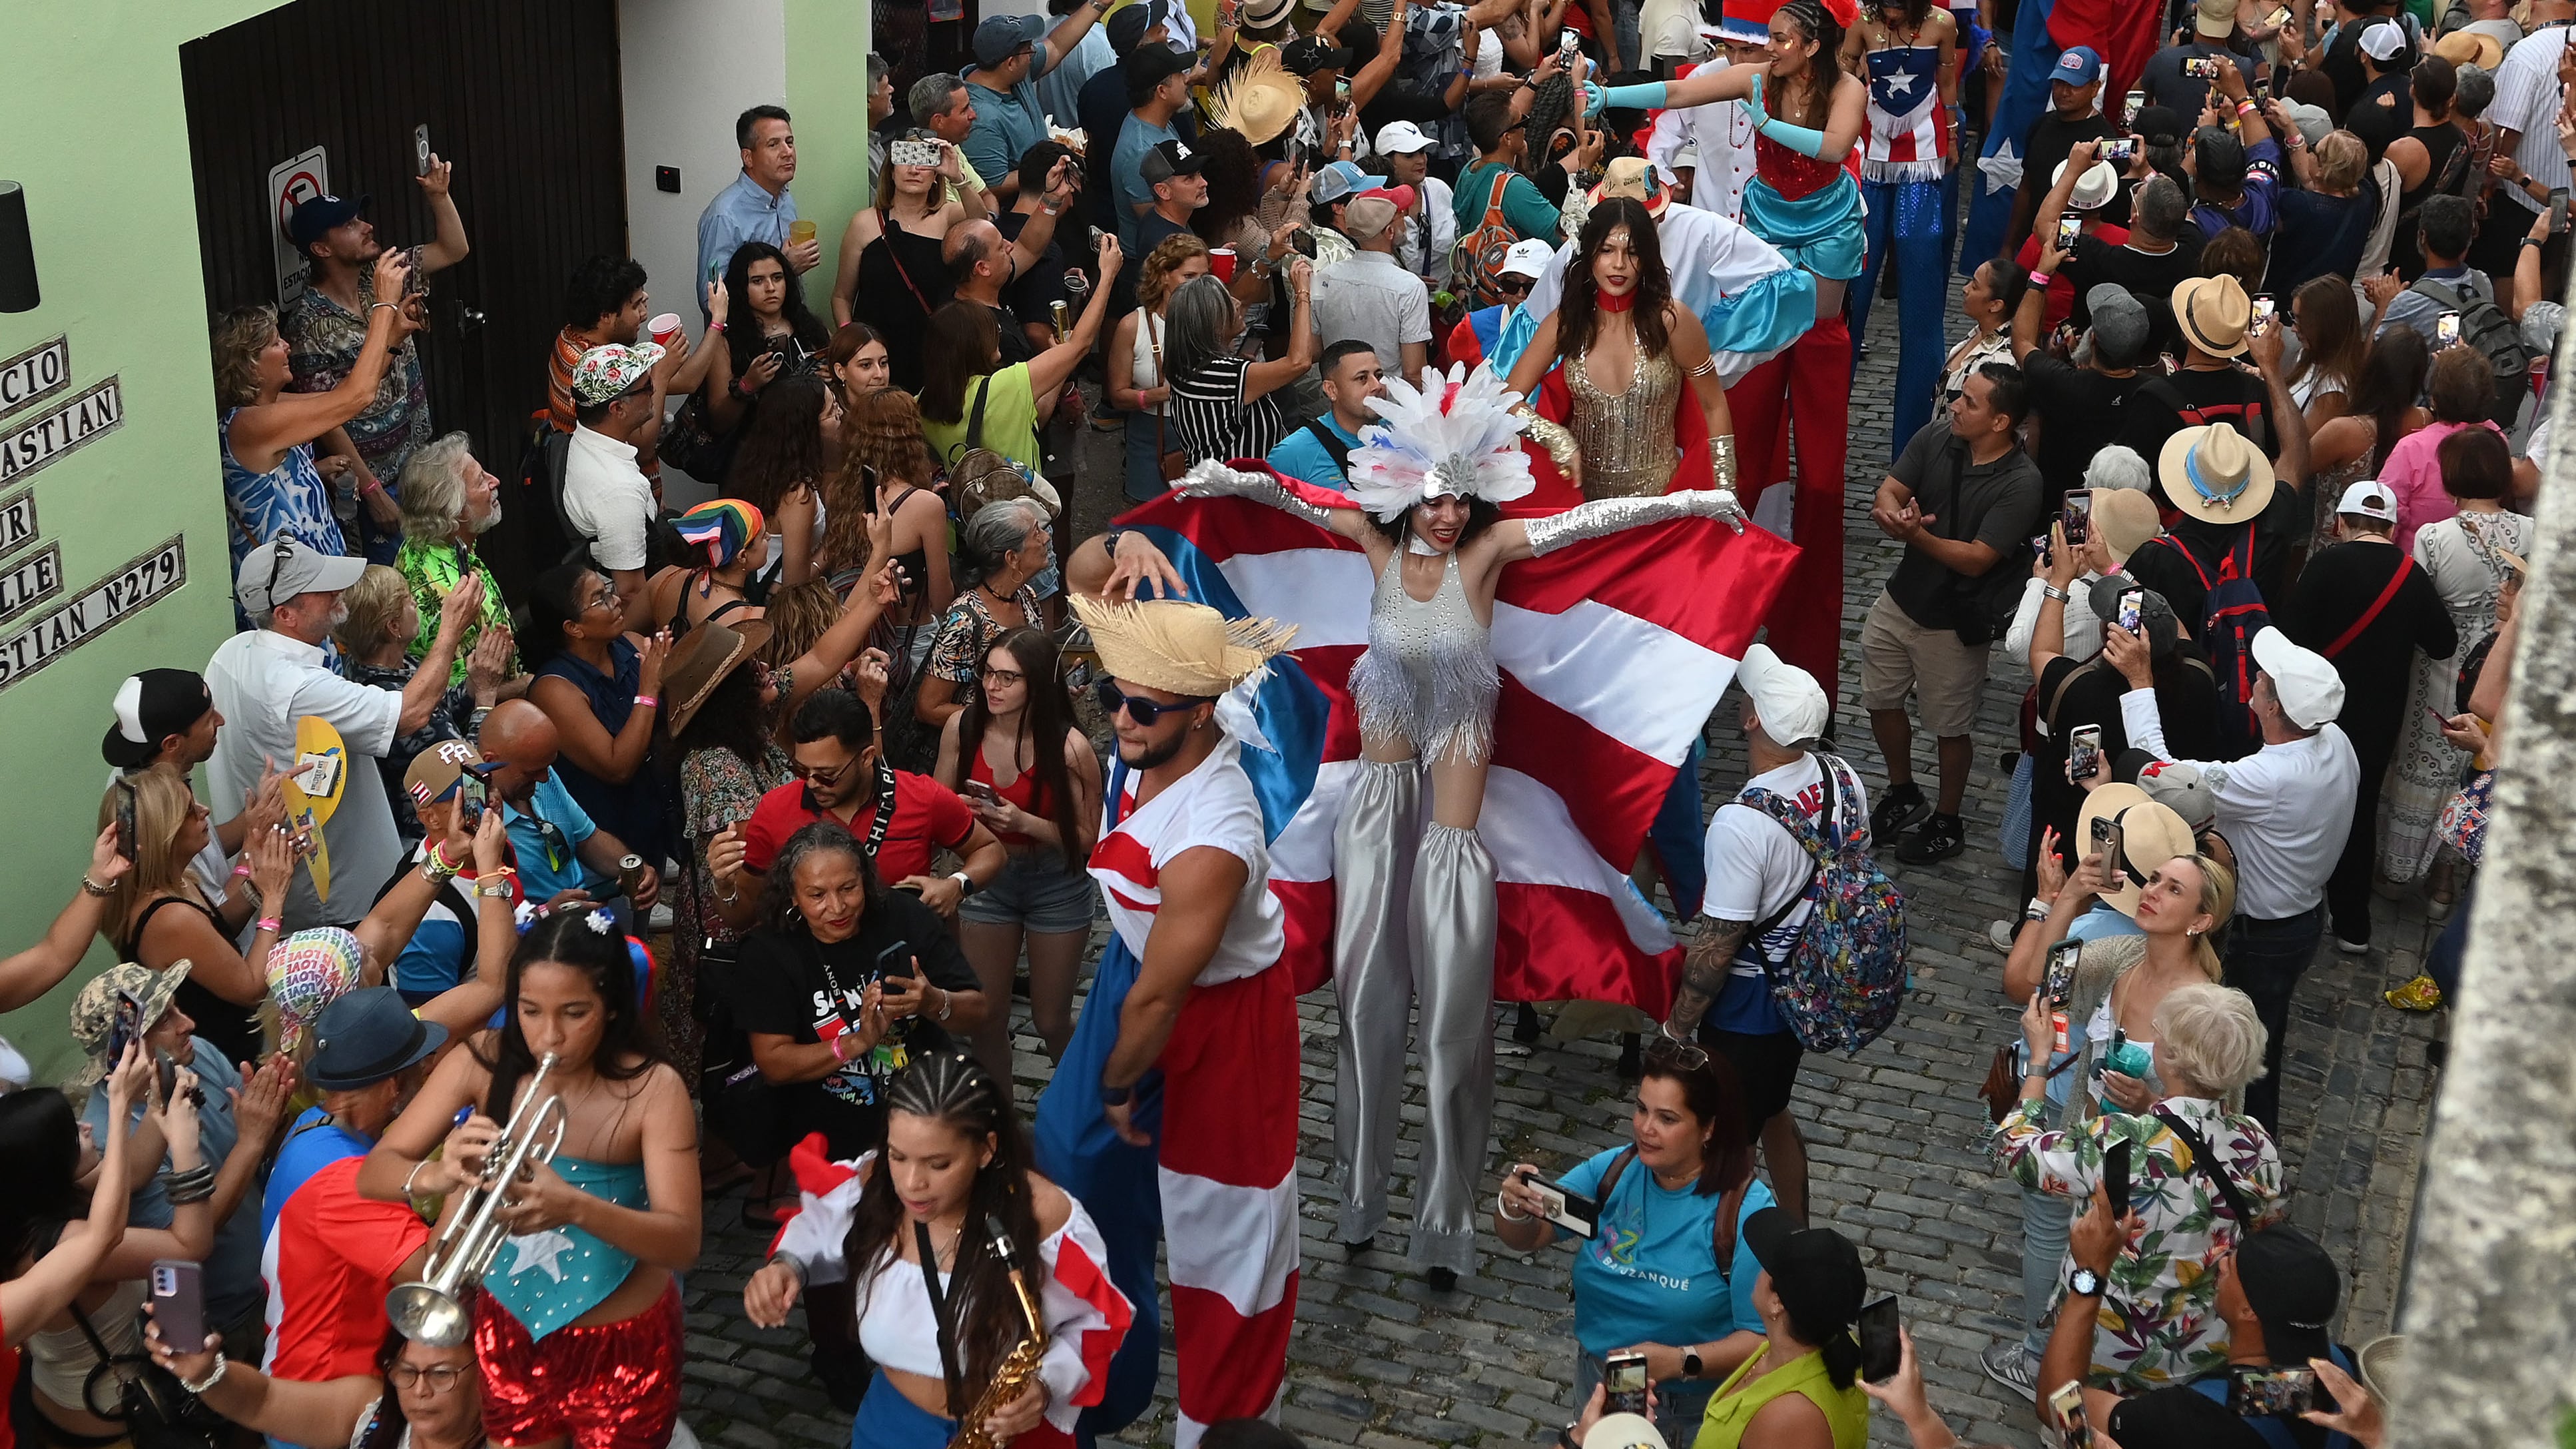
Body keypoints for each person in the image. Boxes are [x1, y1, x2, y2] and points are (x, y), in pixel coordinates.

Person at [1177, 364, 1746, 1282]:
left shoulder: (1487, 553)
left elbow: (1587, 520)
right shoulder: (1375, 541)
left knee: (1451, 1000)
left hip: (1454, 780)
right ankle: (1358, 1201)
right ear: (1406, 492)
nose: (1445, 515)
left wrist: (1690, 502)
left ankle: (1445, 1220)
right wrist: (1223, 477)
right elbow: (1291, 497)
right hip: (1382, 777)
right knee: (1366, 996)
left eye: (1458, 500)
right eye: (1433, 499)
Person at [1026, 598, 1305, 1445]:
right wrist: (1136, 556)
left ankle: (1222, 1427)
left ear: (1201, 716)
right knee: (1067, 1156)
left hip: (1221, 1019)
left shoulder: (1215, 833)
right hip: (1135, 978)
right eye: (1113, 696)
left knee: (1230, 1240)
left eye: (1142, 709)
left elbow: (1163, 1000)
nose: (1120, 719)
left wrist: (1119, 1078)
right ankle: (1101, 1371)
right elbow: (1080, 576)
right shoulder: (1143, 740)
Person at [358, 909, 702, 1449]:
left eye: (575, 1012)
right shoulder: (482, 1061)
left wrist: (576, 1208)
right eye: (529, 1011)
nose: (549, 1035)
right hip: (507, 1330)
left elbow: (682, 1241)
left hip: (621, 1345)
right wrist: (440, 1172)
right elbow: (375, 1171)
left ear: (613, 1008)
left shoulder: (654, 1090)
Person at [746, 1053, 1131, 1449]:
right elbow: (815, 1229)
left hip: (1011, 1433)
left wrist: (1046, 1385)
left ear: (986, 1149)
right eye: (898, 1156)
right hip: (892, 1429)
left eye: (938, 1164)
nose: (913, 1184)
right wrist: (785, 1267)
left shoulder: (1043, 1217)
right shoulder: (873, 1189)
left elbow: (1096, 1321)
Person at [1979, 784, 2207, 1394]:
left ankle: (2047, 1362)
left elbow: (2020, 978)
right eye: (2155, 880)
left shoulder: (2201, 996)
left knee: (2068, 1244)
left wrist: (2056, 899)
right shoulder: (2122, 953)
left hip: (2129, 1154)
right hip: (2090, 1132)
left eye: (2174, 887)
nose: (2156, 892)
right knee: (2077, 1246)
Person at [2111, 625, 2358, 1133]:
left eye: (2263, 680)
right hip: (2304, 916)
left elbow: (2166, 777)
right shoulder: (2334, 738)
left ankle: (2232, 1168)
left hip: (2261, 935)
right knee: (2258, 1043)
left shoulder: (2268, 778)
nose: (2257, 680)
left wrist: (2140, 680)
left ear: (2271, 708)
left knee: (2237, 1062)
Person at [2004, 979, 2284, 1390]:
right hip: (2197, 1349)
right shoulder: (2257, 1144)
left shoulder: (2118, 1138)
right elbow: (2262, 1226)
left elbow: (2018, 1153)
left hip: (2104, 1343)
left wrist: (2040, 1061)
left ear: (2169, 1056)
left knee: (2078, 1425)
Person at [1653, 643, 1849, 1230]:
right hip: (1805, 987)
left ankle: (1727, 1256)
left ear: (1752, 719)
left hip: (1748, 1011)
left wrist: (1677, 1027)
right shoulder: (1839, 776)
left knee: (1724, 1150)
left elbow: (1717, 945)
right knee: (1776, 1111)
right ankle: (1797, 1229)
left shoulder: (1743, 821)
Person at [1492, 1043, 1767, 1441]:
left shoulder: (1744, 1211)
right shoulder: (1615, 1171)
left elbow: (1761, 1340)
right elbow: (1529, 1237)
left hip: (1689, 1411)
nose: (1645, 1128)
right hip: (1599, 1385)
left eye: (1667, 1118)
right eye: (1641, 1109)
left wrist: (1676, 1362)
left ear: (1710, 1128)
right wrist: (1515, 1207)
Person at [208, 538, 483, 932]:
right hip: (337, 899)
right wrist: (451, 628)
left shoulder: (231, 653)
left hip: (310, 887)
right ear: (286, 614)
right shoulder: (296, 685)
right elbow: (410, 713)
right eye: (320, 590)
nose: (337, 593)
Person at [1862, 363, 2046, 864]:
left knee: (1950, 726)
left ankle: (1947, 819)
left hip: (1953, 623)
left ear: (2001, 422)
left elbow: (1979, 557)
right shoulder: (1937, 435)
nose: (1957, 405)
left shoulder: (2022, 483)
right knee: (1880, 701)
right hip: (1901, 600)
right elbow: (1892, 488)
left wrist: (1914, 535)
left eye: (1971, 401)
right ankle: (1903, 792)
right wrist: (1891, 511)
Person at [67, 965, 294, 1362]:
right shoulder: (107, 1145)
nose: (187, 1023)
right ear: (124, 1051)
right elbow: (187, 1239)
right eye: (164, 1020)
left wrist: (273, 1115)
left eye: (178, 1008)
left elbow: (257, 1134)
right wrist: (251, 1143)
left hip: (282, 1273)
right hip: (229, 1317)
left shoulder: (194, 1055)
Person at [1, 1047, 225, 1446]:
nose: (88, 1127)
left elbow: (132, 1171)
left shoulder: (19, 1216)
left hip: (53, 1400)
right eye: (74, 1133)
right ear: (50, 1164)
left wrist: (161, 1100)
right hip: (115, 1424)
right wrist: (185, 1146)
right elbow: (189, 1245)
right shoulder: (65, 1242)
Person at [731, 821, 988, 1167]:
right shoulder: (768, 952)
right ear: (793, 895)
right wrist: (856, 1042)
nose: (837, 908)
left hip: (928, 1118)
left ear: (865, 881)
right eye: (817, 895)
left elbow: (978, 1011)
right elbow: (774, 1063)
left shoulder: (905, 917)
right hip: (831, 1141)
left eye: (848, 888)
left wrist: (932, 1001)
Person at [2275, 481, 2459, 954]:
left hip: (2315, 714)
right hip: (2377, 721)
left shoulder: (2327, 563)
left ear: (2340, 522)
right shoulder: (2411, 576)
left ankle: (2288, 903)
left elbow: (2289, 638)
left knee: (2301, 803)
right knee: (2358, 816)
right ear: (2393, 528)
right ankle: (2354, 925)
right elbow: (2443, 643)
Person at [2043, 1205, 2366, 1449]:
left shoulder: (2192, 1421)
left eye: (2235, 1264)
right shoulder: (2340, 1372)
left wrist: (2091, 1274)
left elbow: (2060, 1405)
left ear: (2248, 1310)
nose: (2223, 1260)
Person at [280, 168, 472, 562]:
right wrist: (372, 493)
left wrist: (439, 196)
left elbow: (454, 249)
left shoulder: (380, 276)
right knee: (399, 587)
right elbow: (326, 416)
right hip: (378, 481)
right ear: (322, 249)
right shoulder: (308, 324)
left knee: (443, 566)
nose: (367, 227)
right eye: (350, 225)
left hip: (420, 463)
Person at [935, 628, 1102, 1070]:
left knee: (1050, 1020)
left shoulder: (1071, 748)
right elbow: (935, 804)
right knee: (986, 1019)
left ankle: (1083, 1115)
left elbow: (1090, 837)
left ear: (1037, 684)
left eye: (1008, 678)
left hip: (1055, 882)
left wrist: (1023, 821)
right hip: (989, 877)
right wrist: (960, 809)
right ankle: (1002, 1131)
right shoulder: (963, 726)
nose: (993, 686)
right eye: (989, 673)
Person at [1503, 198, 1744, 498]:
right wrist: (1554, 437)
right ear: (1588, 254)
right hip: (1583, 510)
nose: (1619, 264)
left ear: (1648, 258)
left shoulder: (1672, 320)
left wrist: (1726, 494)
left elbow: (1714, 406)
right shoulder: (1566, 322)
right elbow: (1507, 400)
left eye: (1632, 252)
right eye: (1606, 251)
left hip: (1662, 508)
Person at [709, 688, 1007, 929]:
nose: (812, 783)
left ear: (867, 757)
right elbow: (741, 917)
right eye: (801, 771)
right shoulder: (775, 810)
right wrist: (724, 887)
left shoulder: (922, 796)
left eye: (827, 775)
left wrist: (957, 885)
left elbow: (990, 849)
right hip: (814, 983)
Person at [2378, 425, 2528, 897]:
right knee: (2473, 761)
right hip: (2499, 662)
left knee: (2424, 759)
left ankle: (2400, 872)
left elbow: (2419, 606)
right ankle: (2445, 879)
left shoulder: (2435, 536)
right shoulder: (2532, 531)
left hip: (2439, 666)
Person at [210, 250, 418, 582]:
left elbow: (346, 396)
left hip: (315, 582)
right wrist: (384, 306)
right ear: (249, 366)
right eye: (275, 343)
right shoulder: (247, 425)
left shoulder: (274, 405)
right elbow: (355, 397)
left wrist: (392, 340)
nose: (287, 346)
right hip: (288, 598)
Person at [1842, 0, 1959, 458]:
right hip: (1870, 158)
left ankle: (1915, 445)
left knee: (1922, 301)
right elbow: (1841, 83)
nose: (1888, 10)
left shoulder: (1942, 24)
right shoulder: (1862, 26)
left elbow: (1948, 82)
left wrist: (1951, 134)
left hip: (1924, 162)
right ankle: (1825, 419)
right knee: (1853, 285)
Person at [336, 566, 517, 845]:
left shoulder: (380, 664)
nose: (416, 603)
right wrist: (485, 694)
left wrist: (473, 681)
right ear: (393, 627)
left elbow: (440, 709)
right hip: (444, 840)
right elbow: (469, 776)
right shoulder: (382, 694)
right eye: (409, 599)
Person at [920, 237, 1126, 478]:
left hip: (964, 511)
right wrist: (1107, 276)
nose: (997, 334)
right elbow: (1079, 347)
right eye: (992, 330)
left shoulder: (923, 402)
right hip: (1018, 504)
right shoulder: (1006, 386)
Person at [521, 564, 671, 883]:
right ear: (573, 628)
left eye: (609, 591)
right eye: (601, 598)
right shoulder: (556, 689)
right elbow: (617, 766)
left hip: (653, 818)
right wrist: (648, 691)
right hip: (603, 848)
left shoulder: (630, 645)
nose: (616, 602)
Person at [1684, 1209, 1872, 1448]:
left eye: (1766, 1264)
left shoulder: (1788, 1418)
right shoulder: (1826, 1345)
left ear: (1777, 1302)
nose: (1757, 1268)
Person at [472, 698, 665, 929]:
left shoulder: (541, 774)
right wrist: (546, 913)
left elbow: (588, 838)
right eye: (533, 772)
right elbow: (484, 924)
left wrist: (633, 867)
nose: (544, 778)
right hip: (535, 943)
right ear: (491, 762)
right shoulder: (475, 822)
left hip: (585, 918)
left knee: (637, 960)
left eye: (547, 767)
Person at [151, 1324, 495, 1449]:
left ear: (487, 1373)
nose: (420, 1390)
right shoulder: (370, 1409)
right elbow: (263, 1402)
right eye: (406, 1371)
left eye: (441, 1374)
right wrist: (206, 1373)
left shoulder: (521, 1443)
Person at [917, 500, 1057, 740]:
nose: (1045, 538)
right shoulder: (964, 620)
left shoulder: (1026, 596)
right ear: (1012, 558)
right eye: (1036, 533)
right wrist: (1001, 722)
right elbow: (928, 708)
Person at [2011, 274, 2151, 508]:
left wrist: (2039, 277)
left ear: (2093, 338)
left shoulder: (2062, 383)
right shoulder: (2151, 393)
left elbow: (2022, 341)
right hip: (2123, 510)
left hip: (2056, 508)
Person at [826, 389, 956, 640]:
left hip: (853, 636)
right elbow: (941, 601)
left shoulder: (837, 493)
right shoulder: (925, 505)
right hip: (908, 640)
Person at [392, 434, 518, 688]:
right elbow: (461, 692)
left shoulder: (436, 538)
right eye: (482, 480)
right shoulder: (446, 590)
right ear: (454, 508)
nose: (496, 481)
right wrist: (528, 686)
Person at [560, 343, 671, 630]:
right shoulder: (620, 491)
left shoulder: (584, 439)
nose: (654, 391)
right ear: (617, 408)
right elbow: (632, 593)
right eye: (646, 387)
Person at [1165, 265, 1319, 462]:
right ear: (1212, 324)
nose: (1237, 303)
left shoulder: (1187, 364)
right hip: (1238, 488)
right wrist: (1302, 294)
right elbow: (1299, 363)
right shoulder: (1227, 375)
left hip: (1212, 481)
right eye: (1226, 302)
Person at [2047, 169, 2201, 361]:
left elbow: (2045, 226)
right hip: (2159, 359)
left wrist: (2073, 170)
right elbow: (2183, 214)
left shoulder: (2100, 259)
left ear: (2135, 215)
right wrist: (2147, 170)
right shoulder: (2193, 250)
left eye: (2137, 193)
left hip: (2097, 361)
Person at [962, 7, 1113, 203]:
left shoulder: (1013, 75)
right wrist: (1050, 163)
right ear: (1010, 63)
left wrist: (1098, 4)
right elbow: (994, 185)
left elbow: (1056, 45)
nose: (1034, 52)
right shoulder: (981, 118)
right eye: (1029, 49)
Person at [1108, 233, 1216, 501]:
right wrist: (1160, 394)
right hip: (1151, 435)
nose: (1198, 287)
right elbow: (1118, 396)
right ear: (1164, 275)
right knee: (1149, 525)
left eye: (1204, 278)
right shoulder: (1133, 326)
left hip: (1202, 435)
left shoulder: (1210, 319)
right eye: (1189, 277)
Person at [2303, 325, 2430, 550]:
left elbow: (2293, 469)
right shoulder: (2425, 421)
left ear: (2373, 368)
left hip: (2334, 555)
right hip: (2393, 554)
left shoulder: (2343, 431)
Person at [2373, 340, 2509, 550]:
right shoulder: (2498, 441)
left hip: (2414, 567)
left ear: (2434, 400)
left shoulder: (2411, 448)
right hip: (2478, 560)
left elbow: (2385, 517)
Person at [698, 105, 817, 302]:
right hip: (747, 331)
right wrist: (785, 267)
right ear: (748, 157)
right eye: (773, 145)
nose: (787, 152)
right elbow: (709, 299)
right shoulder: (724, 216)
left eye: (790, 142)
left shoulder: (785, 198)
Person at [1315, 187, 1435, 381]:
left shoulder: (1321, 278)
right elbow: (1413, 373)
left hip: (1340, 399)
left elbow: (1313, 349)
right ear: (1389, 231)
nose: (1405, 221)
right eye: (1400, 216)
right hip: (1391, 403)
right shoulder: (1410, 287)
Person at [2369, 194, 2499, 353]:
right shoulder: (2482, 282)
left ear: (2423, 236)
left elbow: (2370, 365)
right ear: (2468, 241)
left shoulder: (2406, 304)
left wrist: (2384, 308)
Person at [1267, 339, 1389, 488]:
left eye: (1379, 376)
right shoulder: (1294, 453)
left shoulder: (1402, 433)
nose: (1377, 386)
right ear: (1331, 390)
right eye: (1362, 378)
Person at [1377, 121, 1457, 290]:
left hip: (1444, 303)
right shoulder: (1377, 204)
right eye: (1409, 155)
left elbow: (1459, 242)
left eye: (1422, 152)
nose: (1421, 160)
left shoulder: (1440, 190)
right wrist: (1408, 282)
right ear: (1389, 161)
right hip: (1398, 300)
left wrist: (1461, 284)